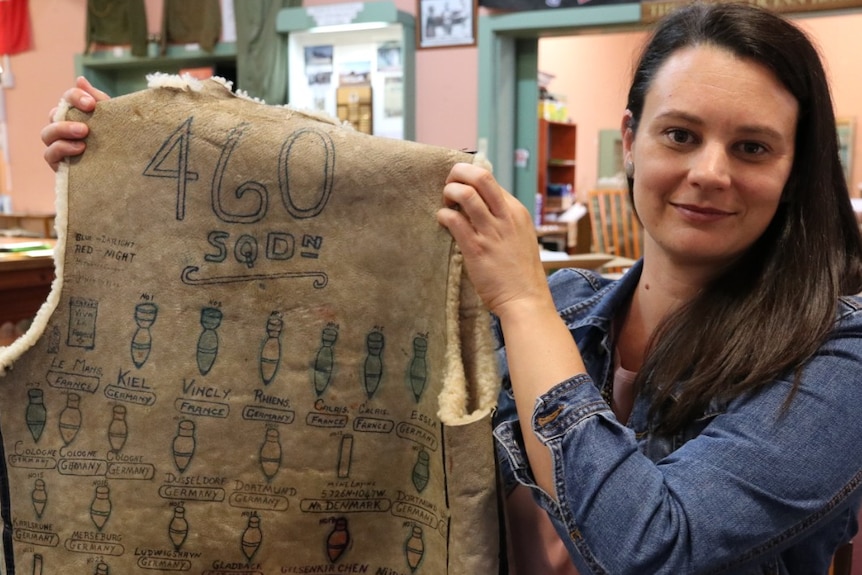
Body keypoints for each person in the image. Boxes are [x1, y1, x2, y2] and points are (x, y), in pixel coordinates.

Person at [42, 3, 862, 573]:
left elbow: (651, 548)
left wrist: (520, 299)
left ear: (796, 171)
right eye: (681, 134)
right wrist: (160, 165)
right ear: (632, 141)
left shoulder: (837, 358)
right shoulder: (573, 307)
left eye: (753, 147)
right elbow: (303, 345)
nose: (709, 172)